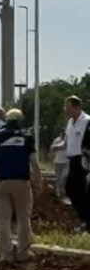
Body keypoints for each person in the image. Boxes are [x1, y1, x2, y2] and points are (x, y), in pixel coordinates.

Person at [0, 109, 40, 263]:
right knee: (23, 219)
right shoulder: (27, 137)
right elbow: (34, 163)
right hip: (22, 183)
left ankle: (5, 254)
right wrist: (38, 182)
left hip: (1, 183)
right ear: (20, 121)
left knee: (3, 220)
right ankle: (23, 253)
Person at [63, 96, 90, 230]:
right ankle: (84, 218)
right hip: (72, 160)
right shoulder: (70, 122)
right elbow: (67, 141)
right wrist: (58, 147)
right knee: (70, 189)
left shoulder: (87, 121)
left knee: (82, 190)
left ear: (77, 107)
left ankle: (86, 221)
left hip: (84, 160)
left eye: (68, 107)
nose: (66, 110)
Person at [50, 132, 69, 200]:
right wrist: (60, 148)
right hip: (57, 161)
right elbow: (52, 148)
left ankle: (63, 190)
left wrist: (58, 147)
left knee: (64, 176)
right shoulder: (57, 140)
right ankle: (58, 192)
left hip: (66, 161)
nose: (63, 135)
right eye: (62, 134)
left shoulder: (68, 139)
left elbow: (66, 147)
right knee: (58, 177)